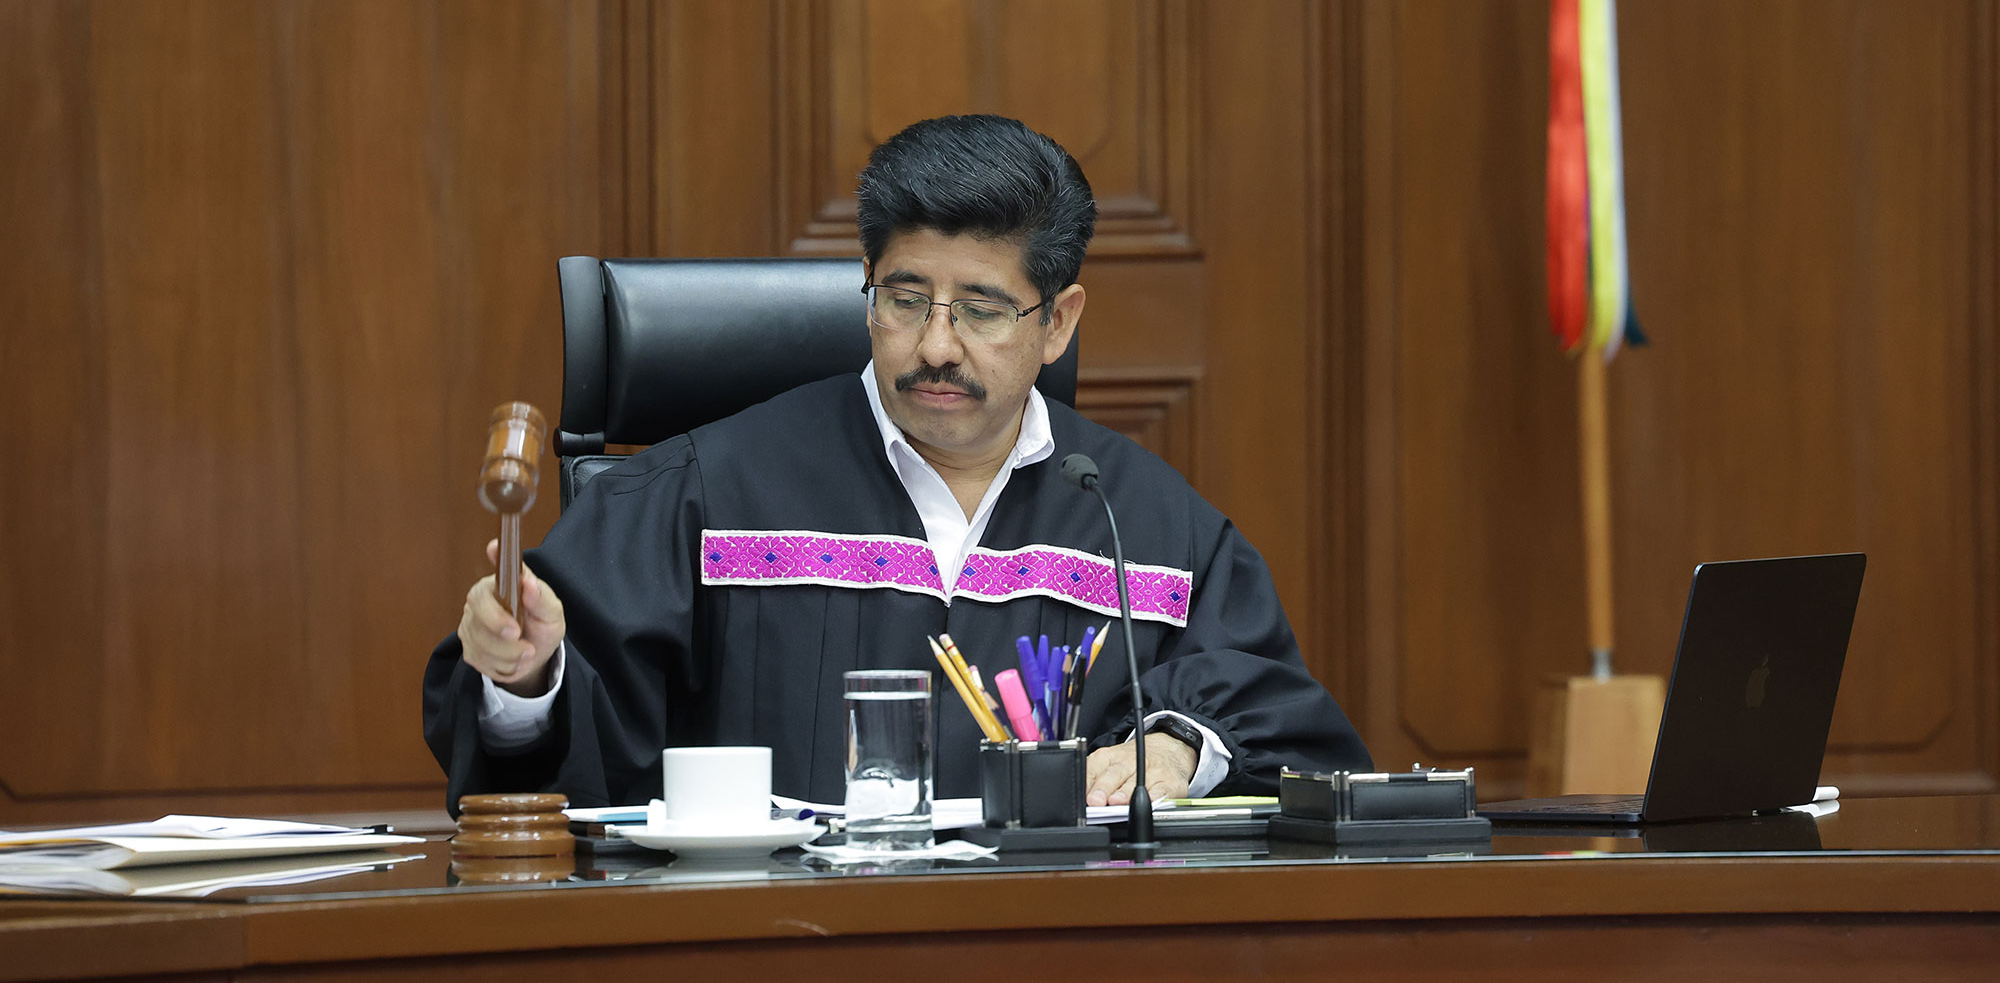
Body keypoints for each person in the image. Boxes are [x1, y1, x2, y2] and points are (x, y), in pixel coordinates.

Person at [424, 115, 1370, 811]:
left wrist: (1175, 750)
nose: (937, 345)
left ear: (1058, 323)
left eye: (983, 309)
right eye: (905, 299)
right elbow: (551, 766)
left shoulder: (1152, 529)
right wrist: (526, 679)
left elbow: (1285, 729)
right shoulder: (705, 498)